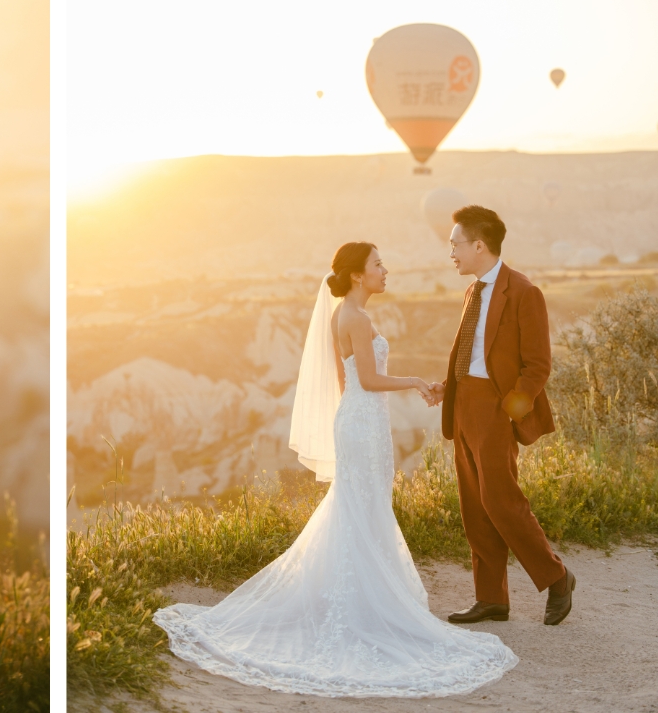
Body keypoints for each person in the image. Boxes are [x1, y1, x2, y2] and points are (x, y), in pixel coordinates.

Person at [152, 241, 518, 698]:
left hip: (360, 420)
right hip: (363, 425)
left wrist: (375, 407)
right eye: (378, 265)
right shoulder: (356, 319)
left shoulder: (342, 315)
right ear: (358, 275)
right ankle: (362, 606)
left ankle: (357, 598)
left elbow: (349, 384)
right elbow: (366, 380)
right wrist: (415, 382)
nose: (386, 270)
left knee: (359, 509)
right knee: (362, 510)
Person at [431, 205, 575, 626]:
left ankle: (557, 576)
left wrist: (509, 412)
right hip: (463, 405)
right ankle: (491, 598)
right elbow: (472, 355)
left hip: (495, 408)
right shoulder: (472, 291)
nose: (451, 252)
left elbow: (538, 366)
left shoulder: (524, 292)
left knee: (502, 501)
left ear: (479, 245)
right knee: (474, 505)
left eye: (455, 244)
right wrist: (450, 387)